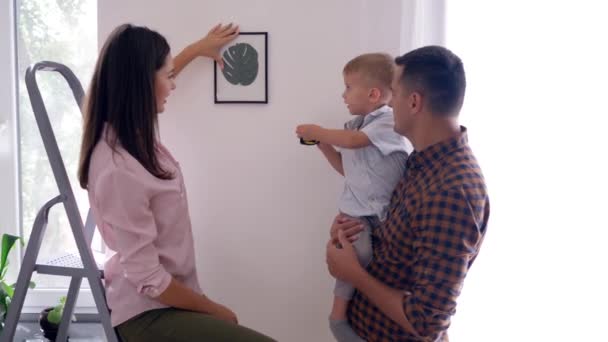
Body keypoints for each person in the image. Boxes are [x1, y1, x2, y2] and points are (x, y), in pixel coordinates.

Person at [77, 23, 275, 342]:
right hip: (146, 312)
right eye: (168, 76)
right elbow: (148, 278)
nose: (173, 85)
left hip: (166, 300)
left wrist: (196, 49)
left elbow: (146, 79)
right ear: (142, 83)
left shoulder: (132, 136)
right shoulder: (119, 168)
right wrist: (212, 309)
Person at [326, 45, 490, 341]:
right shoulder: (421, 162)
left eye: (393, 92)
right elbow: (397, 248)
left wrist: (354, 274)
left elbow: (427, 322)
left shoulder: (453, 191)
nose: (388, 103)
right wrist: (348, 236)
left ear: (413, 102)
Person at [296, 53, 412, 341]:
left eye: (348, 87)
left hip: (381, 212)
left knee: (366, 256)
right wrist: (322, 145)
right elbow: (347, 169)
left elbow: (355, 142)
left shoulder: (386, 122)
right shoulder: (356, 126)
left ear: (373, 94)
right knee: (358, 252)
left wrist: (319, 130)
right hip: (358, 210)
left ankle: (345, 314)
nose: (343, 95)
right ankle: (338, 314)